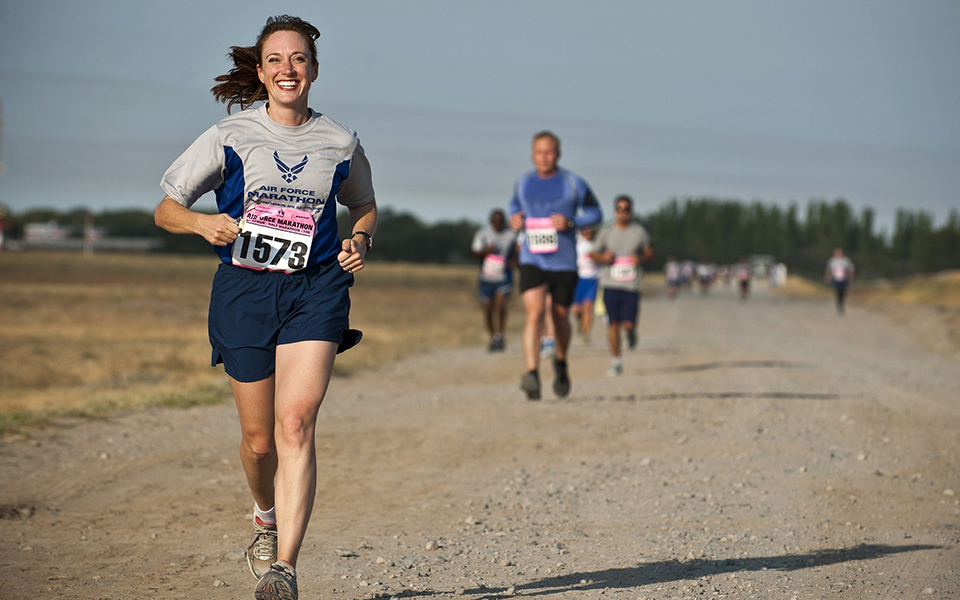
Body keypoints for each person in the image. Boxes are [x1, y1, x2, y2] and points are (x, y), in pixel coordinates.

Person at [154, 15, 377, 600]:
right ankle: (264, 512)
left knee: (296, 424)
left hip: (317, 290)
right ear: (260, 71)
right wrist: (205, 225)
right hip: (245, 291)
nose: (288, 69)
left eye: (298, 59)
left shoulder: (340, 142)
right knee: (259, 442)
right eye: (276, 59)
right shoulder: (229, 136)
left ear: (315, 70)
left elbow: (365, 206)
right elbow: (166, 209)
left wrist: (360, 241)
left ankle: (285, 569)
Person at [509, 131, 602, 400]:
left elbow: (596, 213)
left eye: (549, 152)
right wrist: (514, 220)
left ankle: (560, 363)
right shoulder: (523, 183)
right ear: (532, 154)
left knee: (560, 317)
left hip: (563, 262)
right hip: (532, 259)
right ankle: (532, 373)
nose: (544, 157)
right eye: (539, 152)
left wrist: (572, 222)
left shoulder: (574, 183)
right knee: (535, 314)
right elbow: (514, 208)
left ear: (558, 154)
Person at [590, 195, 653, 376]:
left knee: (628, 323)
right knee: (612, 323)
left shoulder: (638, 232)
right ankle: (616, 360)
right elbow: (592, 253)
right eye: (620, 208)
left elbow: (650, 252)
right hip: (610, 283)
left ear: (631, 211)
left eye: (627, 209)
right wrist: (603, 258)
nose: (623, 212)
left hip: (631, 286)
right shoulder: (607, 232)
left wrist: (640, 258)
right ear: (614, 210)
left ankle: (631, 332)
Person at [471, 209, 518, 351]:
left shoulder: (511, 235)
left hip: (503, 277)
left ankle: (500, 335)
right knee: (488, 309)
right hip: (486, 277)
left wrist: (514, 261)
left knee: (501, 305)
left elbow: (518, 251)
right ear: (491, 221)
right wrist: (486, 251)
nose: (498, 224)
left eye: (500, 221)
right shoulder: (482, 234)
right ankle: (492, 337)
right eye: (495, 221)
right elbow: (474, 253)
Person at [571, 227, 600, 343]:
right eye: (585, 231)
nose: (588, 233)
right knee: (577, 310)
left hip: (592, 279)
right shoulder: (577, 243)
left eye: (590, 231)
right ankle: (579, 321)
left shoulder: (596, 245)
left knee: (588, 307)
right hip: (578, 279)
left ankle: (586, 333)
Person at [825, 248, 855, 315]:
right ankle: (839, 303)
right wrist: (827, 276)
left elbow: (851, 268)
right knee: (837, 291)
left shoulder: (846, 260)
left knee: (843, 292)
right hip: (835, 279)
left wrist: (851, 275)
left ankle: (841, 301)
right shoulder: (832, 261)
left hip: (844, 279)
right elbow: (829, 270)